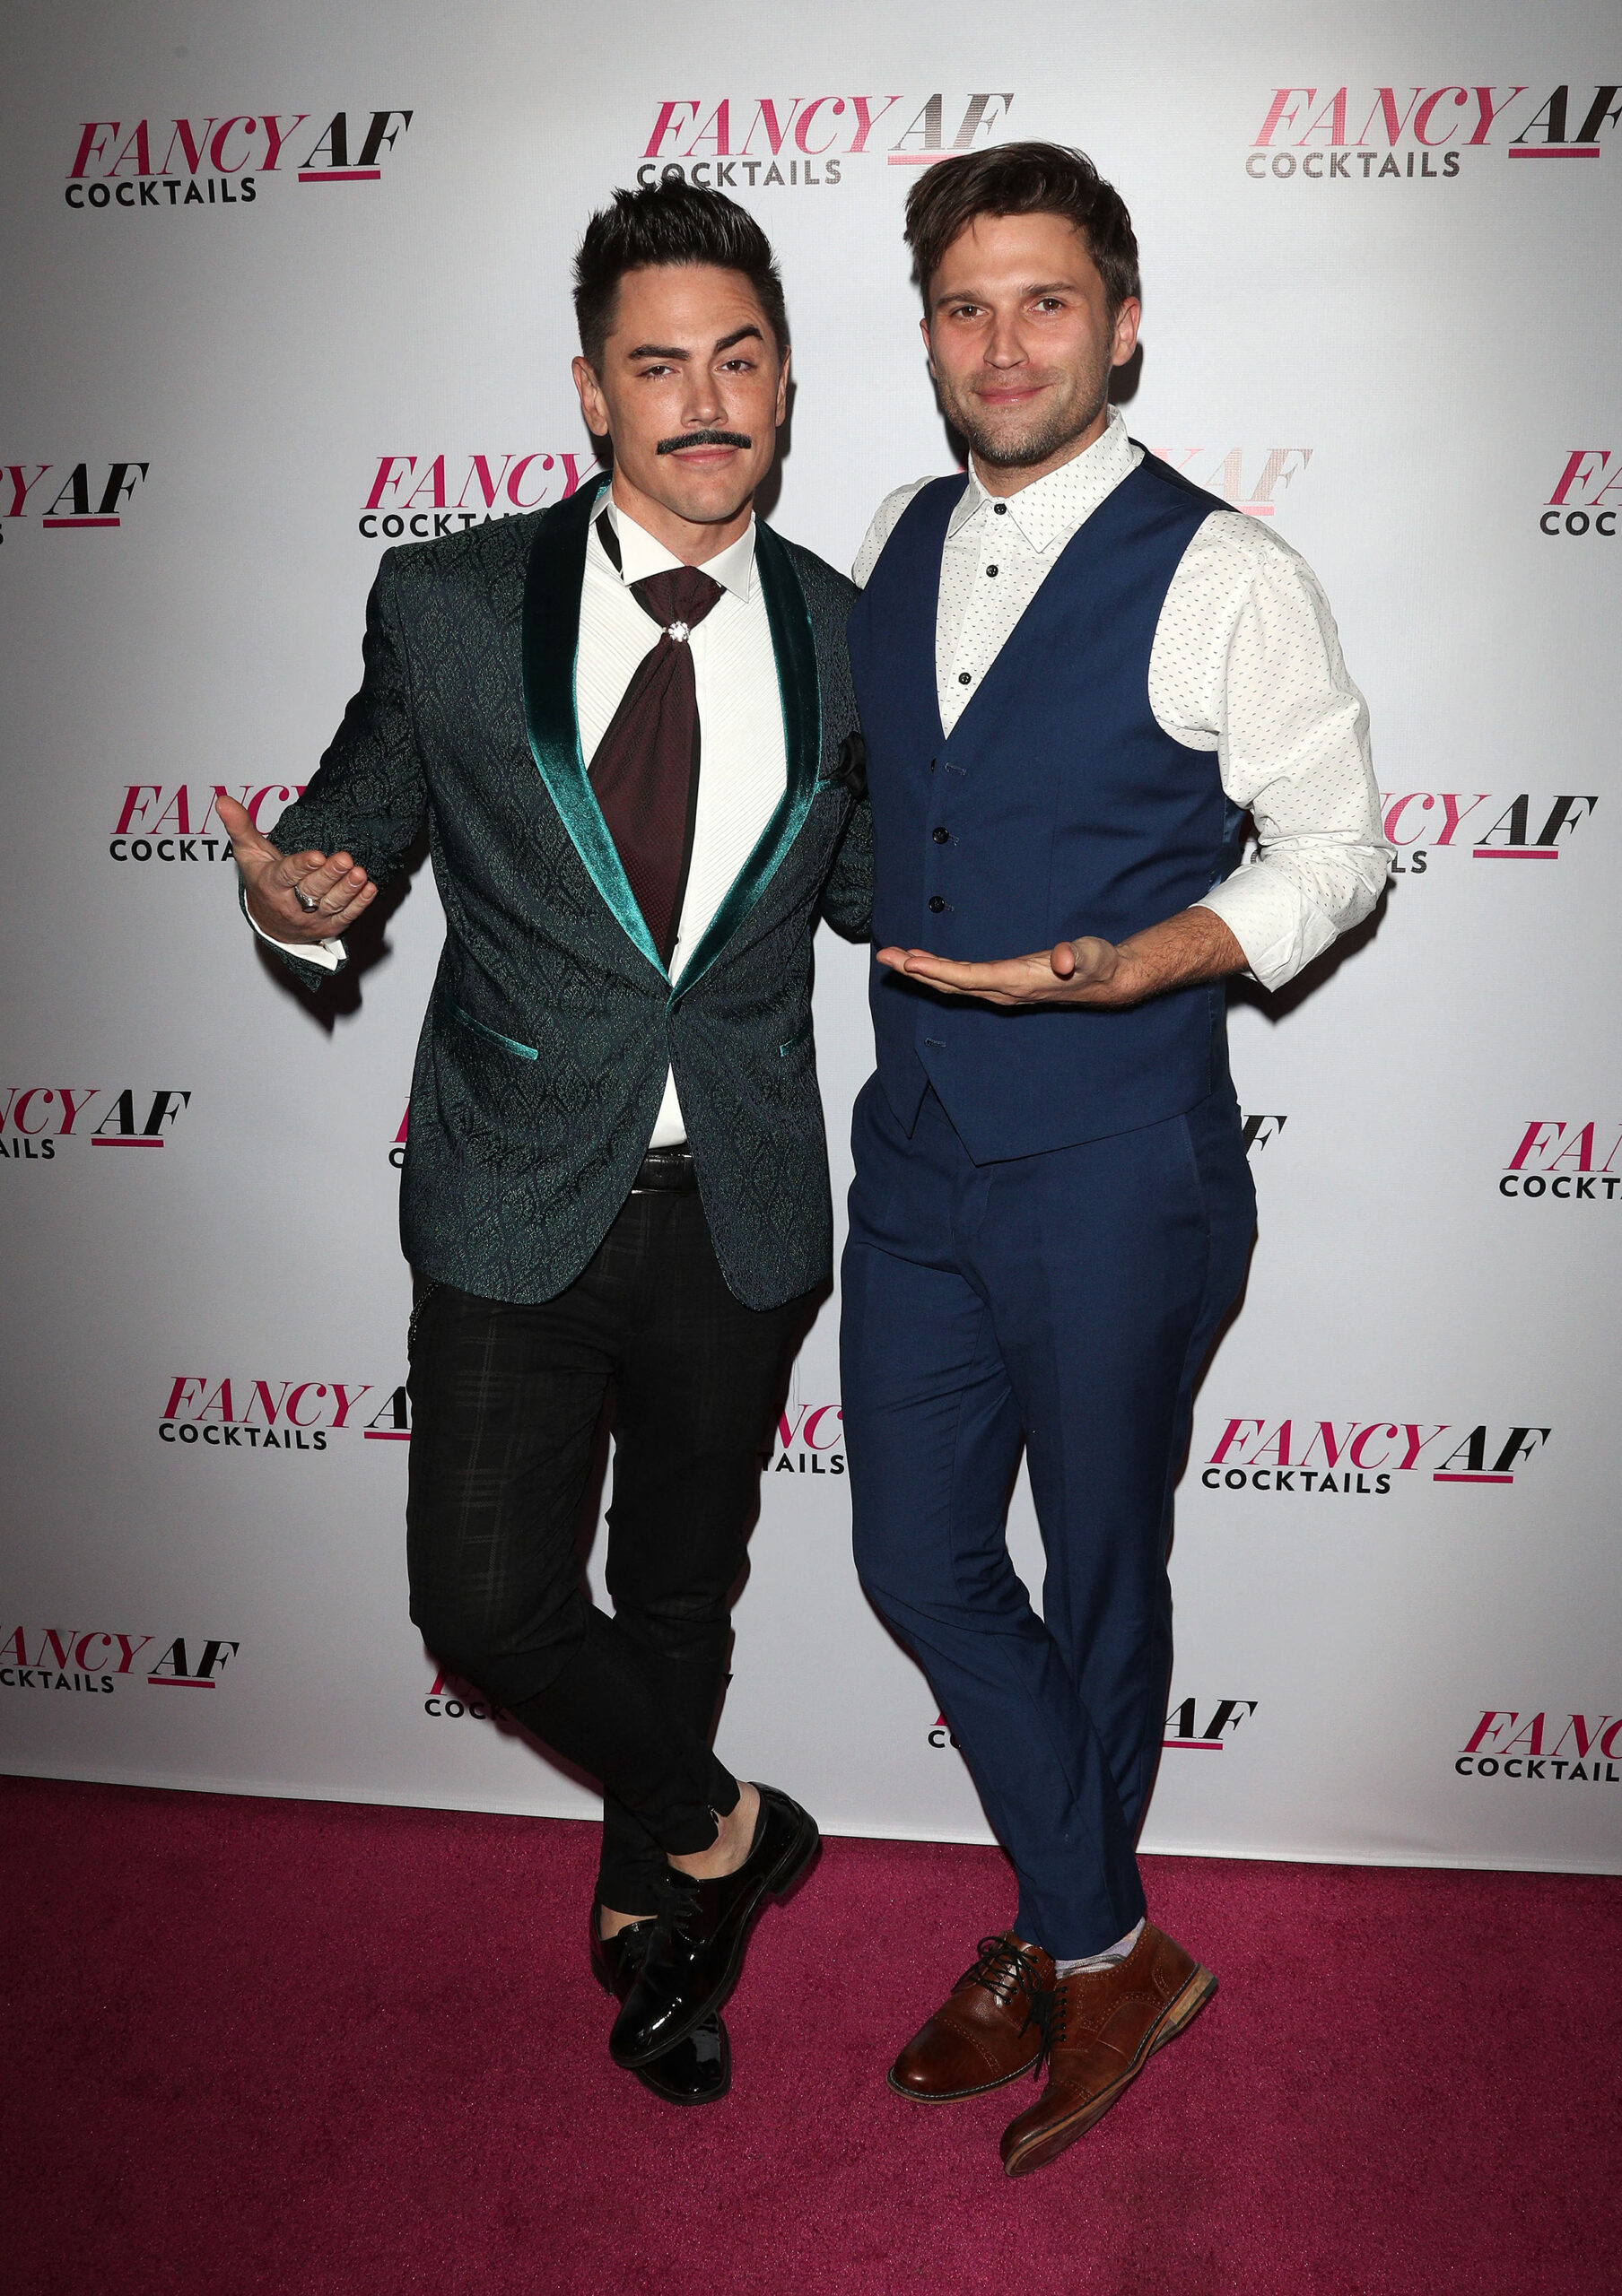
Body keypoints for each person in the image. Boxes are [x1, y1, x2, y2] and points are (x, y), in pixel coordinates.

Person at [220, 180, 871, 2108]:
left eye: (736, 358)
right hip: (513, 1182)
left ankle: (660, 1930)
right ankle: (716, 1814)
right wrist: (302, 897)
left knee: (681, 1590)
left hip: (740, 1205)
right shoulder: (445, 600)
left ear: (782, 381)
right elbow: (350, 824)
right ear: (587, 391)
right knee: (487, 1597)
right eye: (655, 364)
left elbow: (879, 893)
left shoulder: (850, 631)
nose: (702, 400)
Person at [842, 143, 1389, 2176]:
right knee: (915, 1554)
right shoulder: (895, 527)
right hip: (911, 1148)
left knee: (1103, 1567)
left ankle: (1059, 1922)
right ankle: (1099, 1933)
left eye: (1044, 300)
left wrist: (1139, 961)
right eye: (965, 306)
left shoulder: (1230, 569)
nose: (1003, 343)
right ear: (925, 335)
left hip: (1114, 1163)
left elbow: (1336, 849)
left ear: (1122, 319)